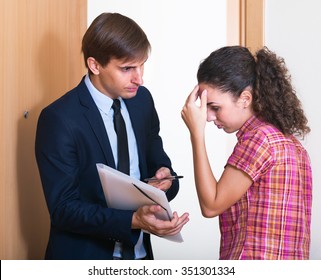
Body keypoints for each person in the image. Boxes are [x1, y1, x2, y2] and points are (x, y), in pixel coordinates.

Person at [35, 12, 189, 260]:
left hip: (140, 257)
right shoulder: (59, 119)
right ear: (94, 65)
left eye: (141, 65)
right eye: (127, 68)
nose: (139, 78)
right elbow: (63, 209)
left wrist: (166, 178)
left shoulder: (142, 101)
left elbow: (159, 164)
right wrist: (133, 220)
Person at [181, 46, 312, 260]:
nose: (208, 117)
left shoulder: (259, 140)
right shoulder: (291, 144)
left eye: (214, 107)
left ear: (244, 98)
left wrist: (196, 134)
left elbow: (211, 205)